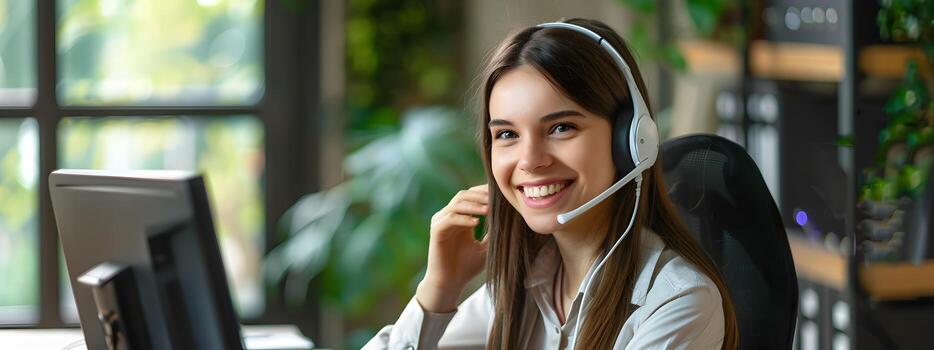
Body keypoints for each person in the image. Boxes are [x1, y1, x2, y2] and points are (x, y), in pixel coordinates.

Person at [364, 18, 739, 349]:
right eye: (507, 134)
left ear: (630, 141)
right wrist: (439, 290)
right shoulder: (525, 285)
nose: (529, 161)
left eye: (561, 128)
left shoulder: (678, 301)